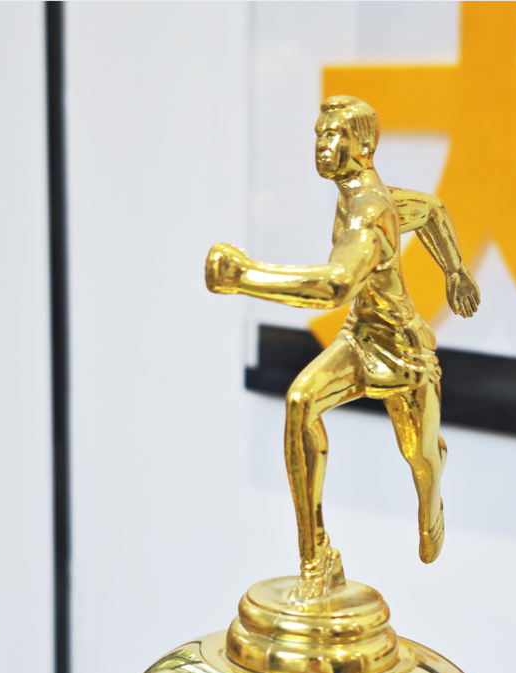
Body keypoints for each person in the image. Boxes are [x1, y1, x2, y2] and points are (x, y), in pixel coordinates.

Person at [206, 95, 480, 599]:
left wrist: (245, 277)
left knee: (419, 456)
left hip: (402, 352)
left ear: (365, 147)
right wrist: (456, 271)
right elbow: (431, 210)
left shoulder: (369, 212)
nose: (322, 145)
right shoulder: (366, 197)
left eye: (335, 136)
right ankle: (317, 557)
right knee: (300, 401)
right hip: (360, 338)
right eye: (319, 135)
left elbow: (335, 285)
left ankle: (432, 495)